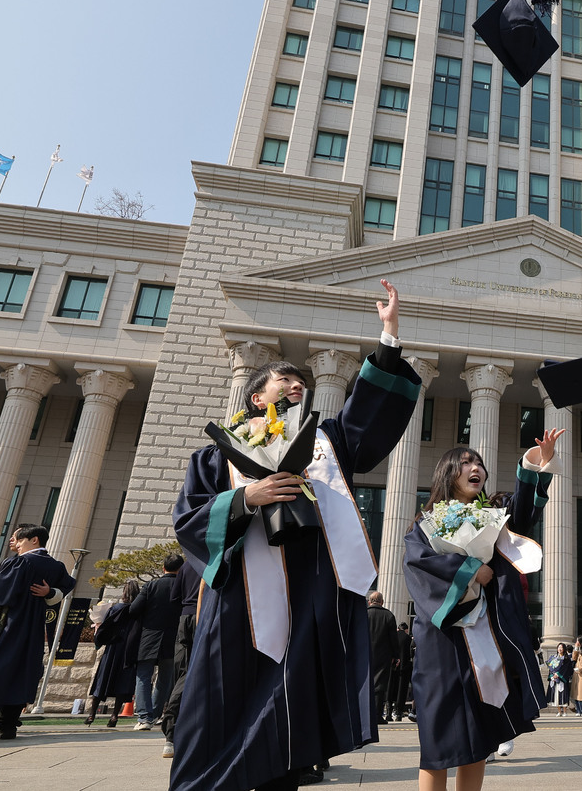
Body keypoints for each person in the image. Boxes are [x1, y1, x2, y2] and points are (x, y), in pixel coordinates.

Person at [170, 279, 422, 791]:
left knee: (293, 702)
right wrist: (248, 497)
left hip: (310, 591)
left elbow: (366, 417)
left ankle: (284, 769)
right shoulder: (219, 455)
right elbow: (188, 520)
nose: (296, 385)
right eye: (284, 379)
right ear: (255, 395)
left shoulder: (326, 444)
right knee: (226, 691)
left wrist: (389, 337)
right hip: (242, 597)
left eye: (299, 382)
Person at [405, 429, 562, 791]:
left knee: (479, 734)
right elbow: (419, 566)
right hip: (444, 643)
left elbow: (524, 510)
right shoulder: (424, 526)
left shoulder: (495, 517)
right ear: (447, 473)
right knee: (439, 739)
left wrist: (536, 463)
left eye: (479, 462)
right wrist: (470, 570)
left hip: (486, 638)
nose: (476, 467)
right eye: (466, 462)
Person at [0, 524, 76, 742]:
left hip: (9, 625)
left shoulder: (20, 562)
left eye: (17, 538)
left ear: (34, 540)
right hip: (33, 629)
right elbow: (68, 585)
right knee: (21, 673)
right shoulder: (55, 566)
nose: (13, 541)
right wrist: (51, 593)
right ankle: (6, 725)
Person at [129, 552, 183, 731]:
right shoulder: (184, 586)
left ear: (163, 567)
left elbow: (134, 609)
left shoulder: (152, 586)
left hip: (149, 637)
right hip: (173, 637)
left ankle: (144, 717)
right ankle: (155, 714)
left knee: (143, 676)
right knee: (165, 679)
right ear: (181, 569)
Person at [86, 578, 142, 728]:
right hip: (128, 650)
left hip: (112, 647)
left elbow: (106, 628)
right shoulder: (138, 611)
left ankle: (92, 714)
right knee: (122, 683)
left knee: (102, 680)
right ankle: (114, 715)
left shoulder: (115, 609)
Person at [161, 560, 201, 757]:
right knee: (196, 672)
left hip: (185, 618)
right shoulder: (212, 560)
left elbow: (174, 598)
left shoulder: (186, 566)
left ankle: (172, 732)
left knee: (183, 672)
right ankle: (173, 726)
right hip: (204, 617)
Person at [367, 591, 400, 724]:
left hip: (365, 653)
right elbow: (394, 639)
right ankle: (376, 714)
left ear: (370, 602)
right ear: (382, 602)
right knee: (379, 685)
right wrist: (396, 656)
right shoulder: (388, 615)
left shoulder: (364, 614)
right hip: (383, 655)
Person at [389, 622, 415, 721]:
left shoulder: (393, 637)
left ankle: (388, 712)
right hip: (404, 668)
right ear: (406, 630)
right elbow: (411, 653)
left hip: (393, 667)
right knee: (401, 691)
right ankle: (399, 713)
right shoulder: (408, 639)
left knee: (391, 689)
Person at [546, 642, 574, 716]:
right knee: (556, 694)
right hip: (554, 679)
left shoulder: (566, 658)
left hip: (562, 679)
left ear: (564, 649)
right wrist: (552, 674)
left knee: (563, 694)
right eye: (558, 647)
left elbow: (567, 669)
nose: (560, 649)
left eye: (561, 647)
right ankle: (559, 711)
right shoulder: (554, 657)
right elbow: (551, 667)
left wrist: (558, 674)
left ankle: (565, 711)